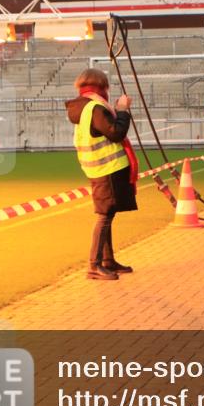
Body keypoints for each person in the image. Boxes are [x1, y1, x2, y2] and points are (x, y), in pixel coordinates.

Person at [65, 68, 138, 281]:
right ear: (101, 86)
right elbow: (115, 132)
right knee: (104, 216)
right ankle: (94, 265)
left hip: (99, 169)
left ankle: (107, 260)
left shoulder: (83, 107)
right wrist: (123, 110)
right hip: (107, 170)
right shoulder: (95, 107)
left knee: (108, 214)